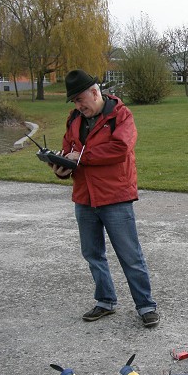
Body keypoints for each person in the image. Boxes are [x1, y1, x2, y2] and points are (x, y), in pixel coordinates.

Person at [49, 69, 159, 328]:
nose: (78, 105)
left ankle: (146, 306)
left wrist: (81, 158)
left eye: (80, 99)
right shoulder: (74, 119)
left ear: (95, 92)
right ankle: (105, 301)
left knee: (130, 256)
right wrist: (61, 167)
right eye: (74, 101)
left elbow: (120, 149)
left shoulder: (121, 115)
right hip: (84, 197)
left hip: (115, 197)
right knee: (92, 254)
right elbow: (69, 150)